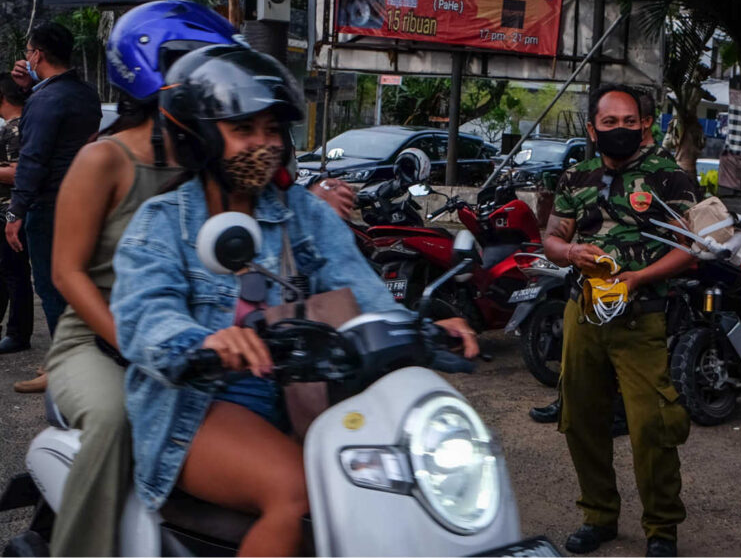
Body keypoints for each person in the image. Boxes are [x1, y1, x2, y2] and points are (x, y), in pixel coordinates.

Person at [110, 45, 479, 557]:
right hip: (199, 408)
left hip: (306, 401)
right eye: (244, 130)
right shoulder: (161, 223)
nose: (263, 144)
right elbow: (145, 318)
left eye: (272, 130)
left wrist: (425, 329)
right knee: (297, 492)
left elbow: (365, 294)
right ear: (197, 136)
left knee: (399, 488)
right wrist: (206, 342)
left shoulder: (303, 214)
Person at [44, 0, 243, 556]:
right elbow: (67, 272)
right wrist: (132, 343)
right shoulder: (103, 161)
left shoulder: (206, 161)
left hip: (188, 334)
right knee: (113, 420)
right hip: (96, 341)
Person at [543, 84, 699, 558]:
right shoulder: (576, 176)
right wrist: (570, 252)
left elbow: (691, 248)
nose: (621, 130)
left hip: (641, 317)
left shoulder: (670, 178)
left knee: (652, 425)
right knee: (582, 419)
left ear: (645, 125)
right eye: (610, 123)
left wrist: (638, 278)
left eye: (630, 122)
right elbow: (552, 236)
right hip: (583, 313)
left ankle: (662, 530)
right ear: (592, 129)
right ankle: (598, 517)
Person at [6, 21, 101, 393]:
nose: (26, 57)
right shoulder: (85, 94)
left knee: (51, 284)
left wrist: (15, 212)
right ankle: (80, 359)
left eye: (29, 51)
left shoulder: (46, 100)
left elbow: (33, 159)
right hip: (84, 201)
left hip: (49, 205)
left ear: (38, 54)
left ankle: (63, 368)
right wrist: (29, 90)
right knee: (79, 284)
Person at [0, 74, 33, 354]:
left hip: (12, 211)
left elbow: (18, 173)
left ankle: (18, 334)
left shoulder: (15, 128)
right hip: (11, 211)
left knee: (15, 273)